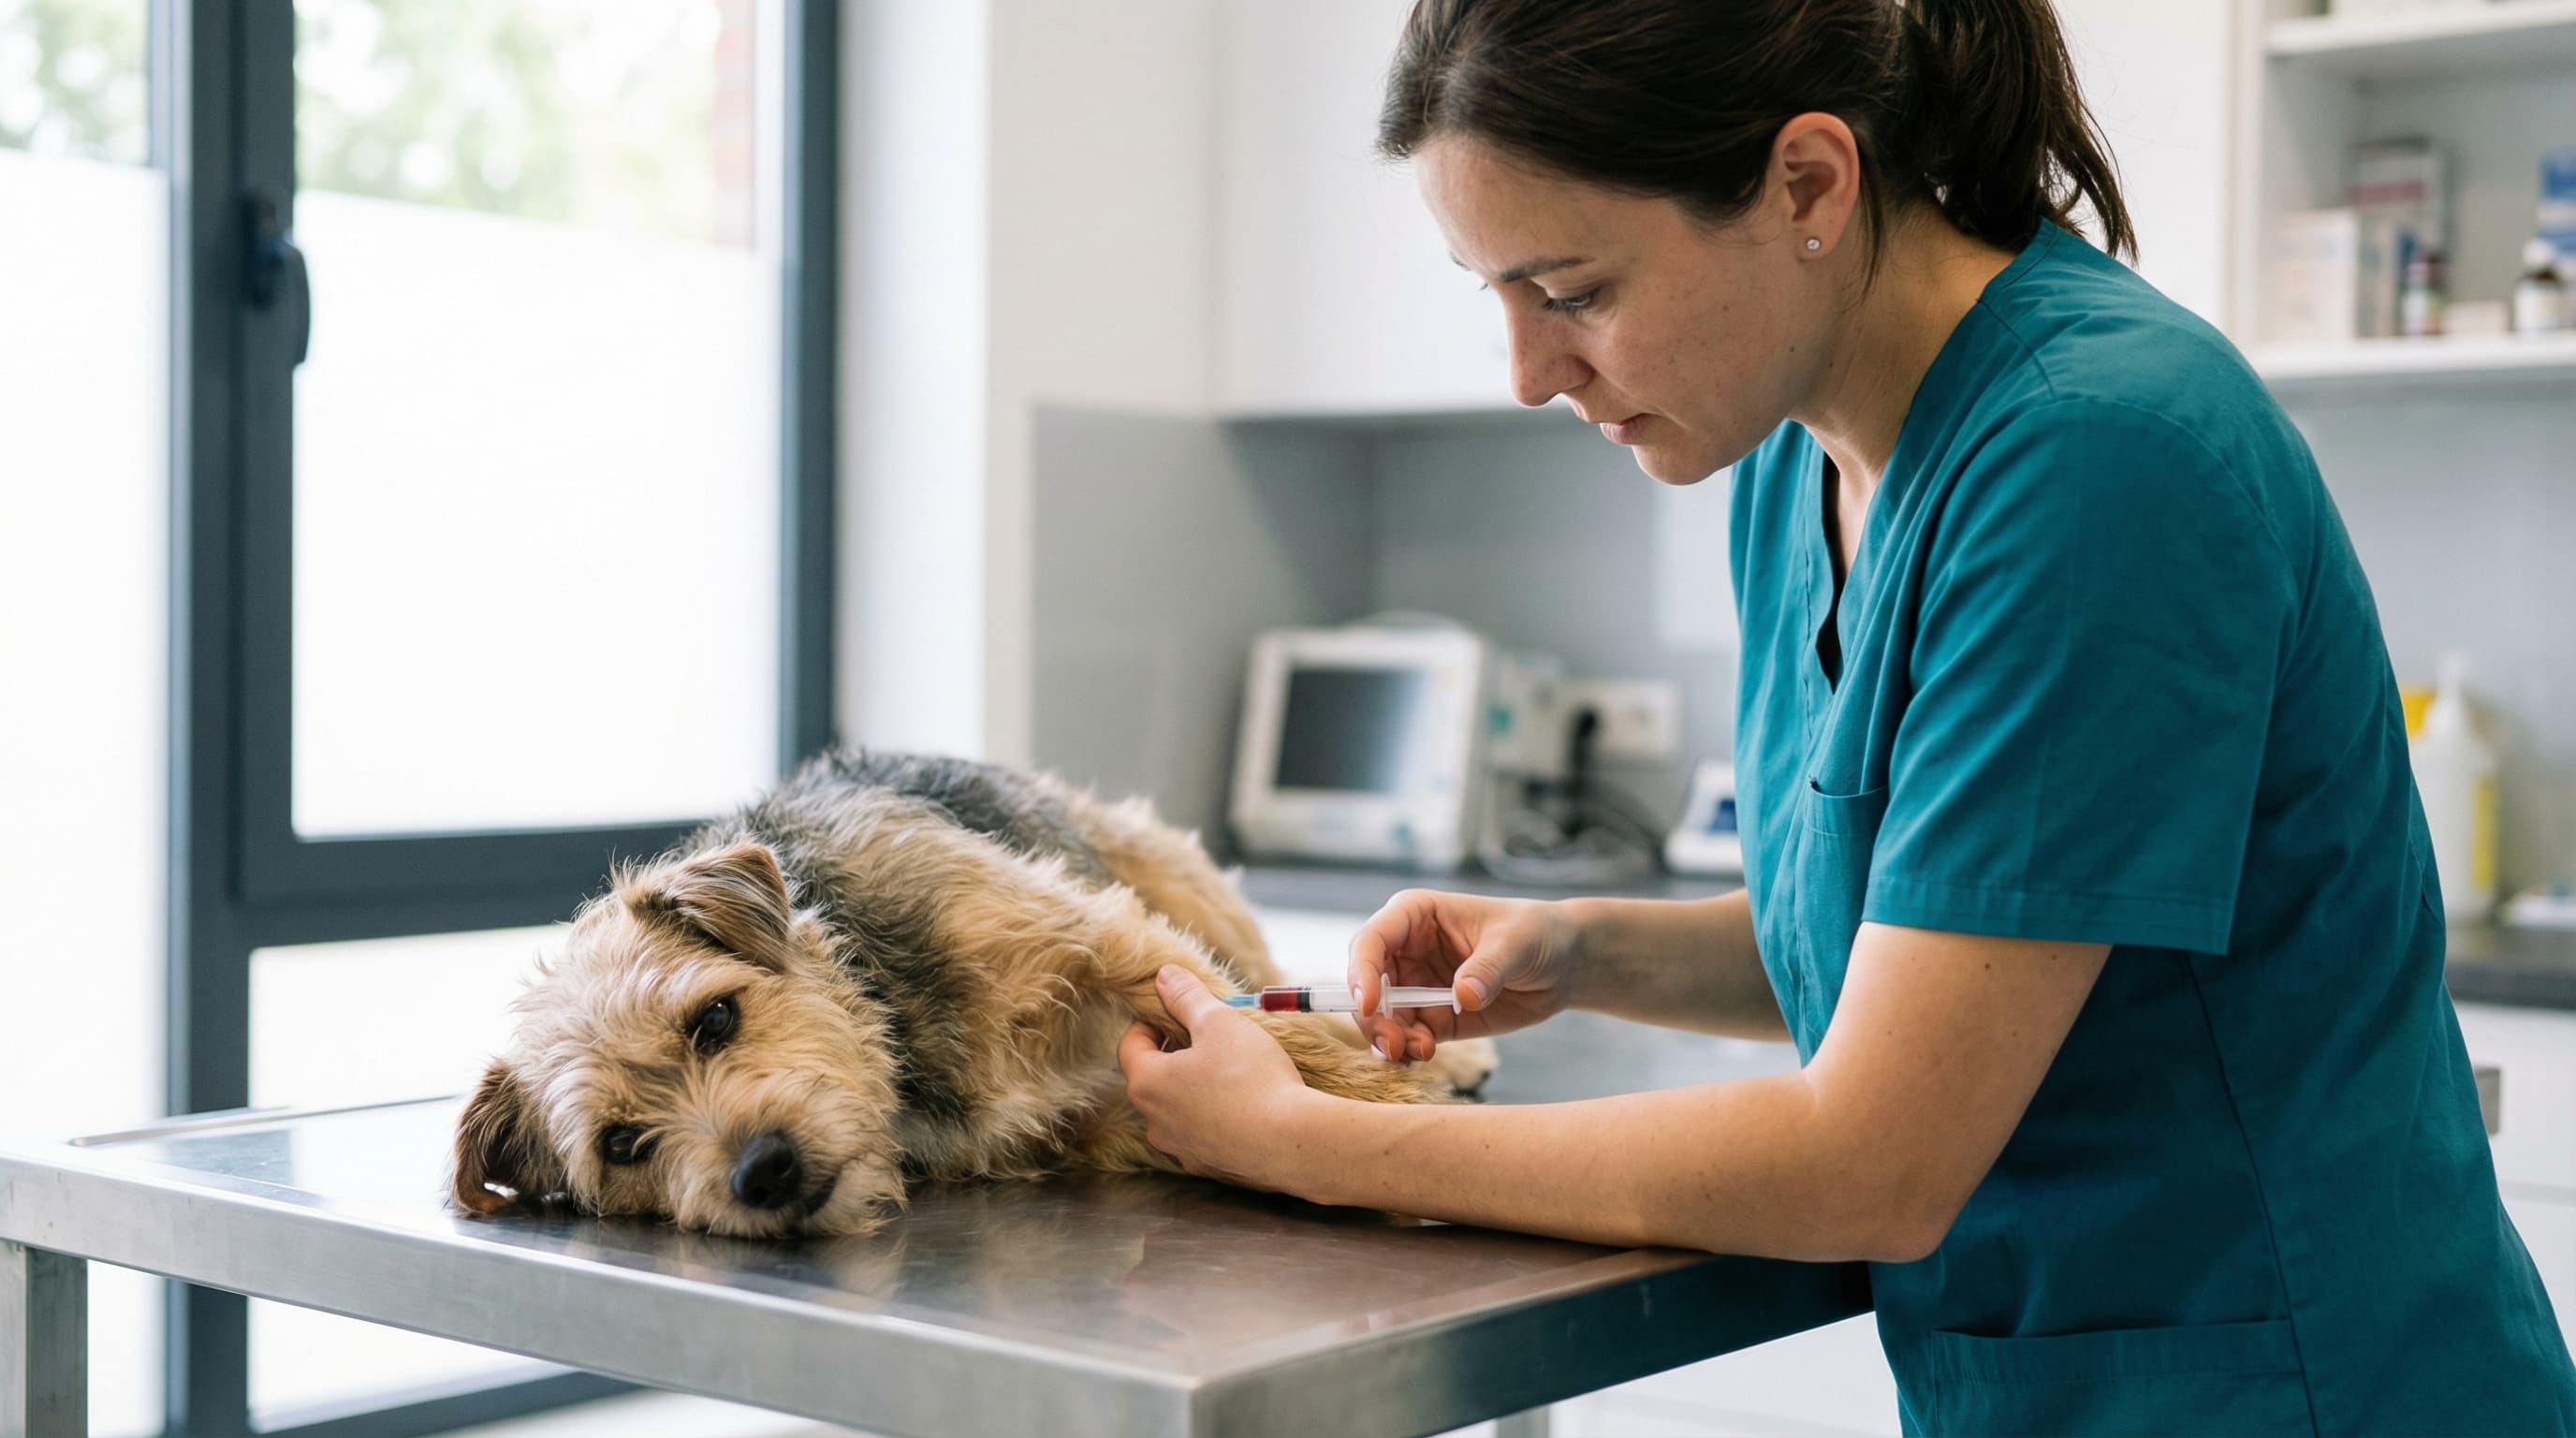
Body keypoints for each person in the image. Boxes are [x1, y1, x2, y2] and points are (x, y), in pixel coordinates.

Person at [1119, 0, 2576, 1431]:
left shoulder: (2094, 456)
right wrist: (1581, 945)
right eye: (1493, 293)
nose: (1528, 372)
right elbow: (1920, 931)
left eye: (1572, 292)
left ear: (1808, 183)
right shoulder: (1784, 454)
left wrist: (1316, 1144)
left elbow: (1871, 1155)